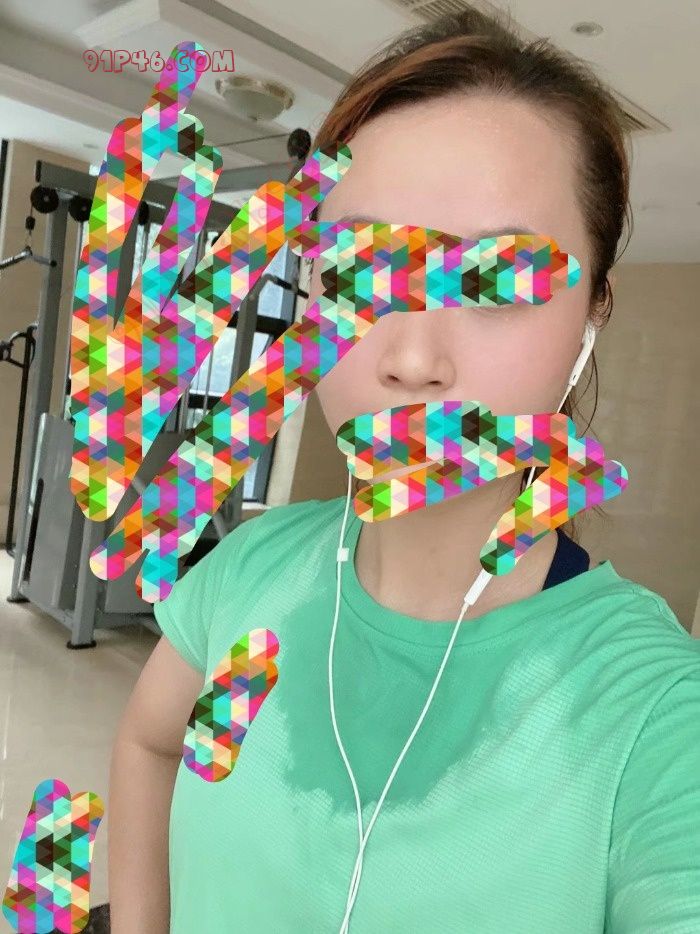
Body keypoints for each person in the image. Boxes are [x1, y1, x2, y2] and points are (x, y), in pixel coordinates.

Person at [107, 8, 700, 933]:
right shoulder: (252, 567)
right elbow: (149, 744)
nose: (414, 358)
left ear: (590, 319)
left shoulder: (656, 715)